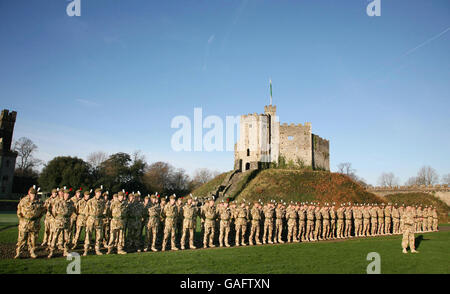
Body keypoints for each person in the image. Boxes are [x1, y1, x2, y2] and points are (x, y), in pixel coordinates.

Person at [15, 186, 45, 259]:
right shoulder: (23, 201)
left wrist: (37, 219)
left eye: (34, 194)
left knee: (33, 240)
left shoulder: (39, 202)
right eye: (32, 194)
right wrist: (22, 220)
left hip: (34, 224)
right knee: (22, 239)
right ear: (29, 193)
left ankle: (32, 252)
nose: (33, 195)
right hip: (24, 224)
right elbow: (19, 211)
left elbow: (42, 211)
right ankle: (19, 252)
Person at [48, 189, 75, 258]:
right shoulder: (58, 201)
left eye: (68, 194)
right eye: (66, 194)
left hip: (67, 221)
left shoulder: (71, 202)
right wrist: (58, 218)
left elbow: (72, 211)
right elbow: (53, 211)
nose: (67, 195)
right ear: (63, 194)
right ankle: (52, 251)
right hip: (59, 221)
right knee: (55, 237)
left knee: (67, 238)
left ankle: (66, 251)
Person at [83, 187, 106, 256]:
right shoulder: (90, 201)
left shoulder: (102, 202)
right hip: (91, 219)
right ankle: (86, 250)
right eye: (98, 192)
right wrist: (86, 221)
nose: (99, 194)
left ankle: (97, 249)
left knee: (98, 236)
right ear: (95, 193)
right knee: (88, 235)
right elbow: (86, 212)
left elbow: (103, 211)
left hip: (99, 220)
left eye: (100, 192)